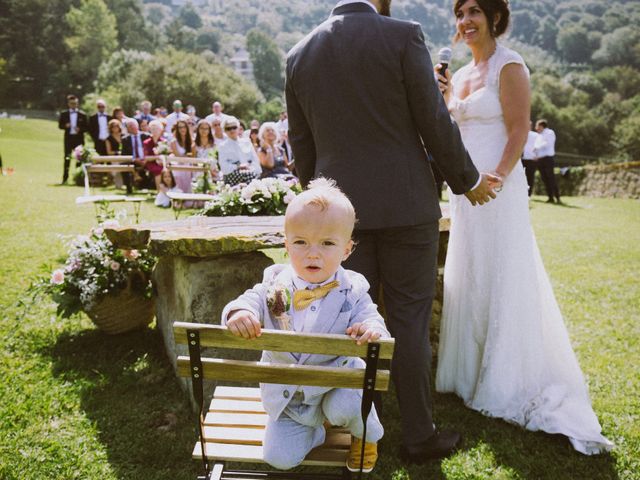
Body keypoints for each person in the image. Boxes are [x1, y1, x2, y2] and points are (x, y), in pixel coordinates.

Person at [285, 0, 497, 464]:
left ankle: (364, 428)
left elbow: (301, 144)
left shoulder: (299, 53)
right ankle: (419, 434)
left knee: (348, 319)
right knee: (408, 320)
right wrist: (469, 180)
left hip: (341, 218)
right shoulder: (404, 35)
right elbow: (432, 120)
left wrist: (319, 212)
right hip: (407, 206)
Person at [434, 0, 612, 455]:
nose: (465, 22)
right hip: (465, 192)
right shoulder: (464, 72)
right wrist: (446, 96)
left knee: (502, 274)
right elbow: (457, 126)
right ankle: (468, 373)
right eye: (459, 14)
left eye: (474, 11)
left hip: (496, 188)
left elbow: (517, 131)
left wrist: (494, 177)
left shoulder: (510, 66)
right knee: (471, 275)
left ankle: (507, 377)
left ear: (494, 17)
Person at [221, 178, 389, 472]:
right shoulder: (274, 281)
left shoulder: (353, 288)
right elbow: (249, 299)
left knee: (347, 406)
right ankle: (316, 431)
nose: (313, 253)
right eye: (301, 242)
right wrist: (239, 312)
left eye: (327, 243)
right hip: (290, 398)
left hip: (336, 386)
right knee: (279, 458)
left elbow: (370, 317)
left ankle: (366, 434)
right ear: (286, 245)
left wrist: (371, 329)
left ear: (347, 250)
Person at [217, 117, 262, 185]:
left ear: (238, 128)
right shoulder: (223, 146)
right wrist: (238, 166)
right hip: (232, 176)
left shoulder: (247, 142)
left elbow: (255, 160)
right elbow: (224, 167)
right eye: (228, 128)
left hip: (251, 173)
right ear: (225, 131)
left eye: (234, 127)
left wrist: (251, 168)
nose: (232, 130)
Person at [58, 94, 88, 183]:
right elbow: (60, 126)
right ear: (68, 104)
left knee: (79, 158)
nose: (74, 105)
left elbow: (86, 128)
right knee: (67, 157)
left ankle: (77, 178)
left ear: (77, 104)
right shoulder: (64, 114)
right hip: (68, 138)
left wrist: (80, 129)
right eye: (72, 103)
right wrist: (65, 126)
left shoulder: (82, 114)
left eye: (75, 103)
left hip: (79, 139)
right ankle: (65, 178)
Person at [534, 119, 561, 203]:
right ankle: (550, 197)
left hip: (548, 158)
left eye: (537, 126)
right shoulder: (539, 135)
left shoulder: (549, 132)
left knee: (551, 178)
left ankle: (557, 197)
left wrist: (537, 148)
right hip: (540, 159)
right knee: (544, 178)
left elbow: (547, 144)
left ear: (541, 126)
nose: (536, 128)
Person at [121, 118, 151, 192]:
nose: (131, 128)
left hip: (146, 159)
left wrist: (145, 159)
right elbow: (124, 153)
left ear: (137, 126)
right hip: (132, 160)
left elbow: (150, 150)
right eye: (129, 126)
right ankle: (129, 188)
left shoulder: (147, 136)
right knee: (123, 165)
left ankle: (148, 186)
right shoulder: (125, 139)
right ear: (127, 128)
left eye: (133, 125)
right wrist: (134, 159)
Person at [169, 120, 195, 192]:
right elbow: (178, 156)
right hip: (178, 164)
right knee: (178, 174)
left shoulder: (192, 140)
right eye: (180, 127)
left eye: (184, 127)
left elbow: (193, 155)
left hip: (190, 164)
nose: (182, 129)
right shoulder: (174, 142)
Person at [143, 119, 166, 190]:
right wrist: (156, 157)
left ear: (160, 130)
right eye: (153, 129)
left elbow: (166, 154)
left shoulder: (164, 141)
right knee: (158, 171)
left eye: (156, 129)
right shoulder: (146, 142)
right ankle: (159, 192)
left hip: (162, 163)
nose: (155, 131)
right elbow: (145, 157)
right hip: (151, 163)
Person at [521, 121, 539, 197]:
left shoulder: (536, 135)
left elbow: (539, 146)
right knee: (521, 176)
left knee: (530, 177)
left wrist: (537, 155)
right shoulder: (521, 134)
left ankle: (529, 194)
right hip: (522, 159)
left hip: (532, 159)